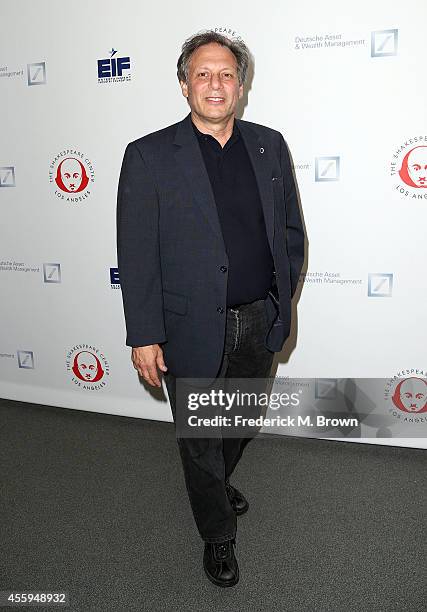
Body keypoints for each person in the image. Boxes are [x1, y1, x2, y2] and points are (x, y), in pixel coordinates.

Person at [116, 30, 305, 588]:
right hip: (189, 325)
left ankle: (216, 480)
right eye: (203, 74)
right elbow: (137, 253)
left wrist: (282, 300)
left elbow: (290, 231)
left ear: (240, 85)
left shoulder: (270, 145)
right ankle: (217, 535)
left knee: (241, 418)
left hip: (258, 317)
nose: (215, 84)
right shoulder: (148, 155)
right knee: (199, 435)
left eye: (226, 74)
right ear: (184, 85)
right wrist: (144, 333)